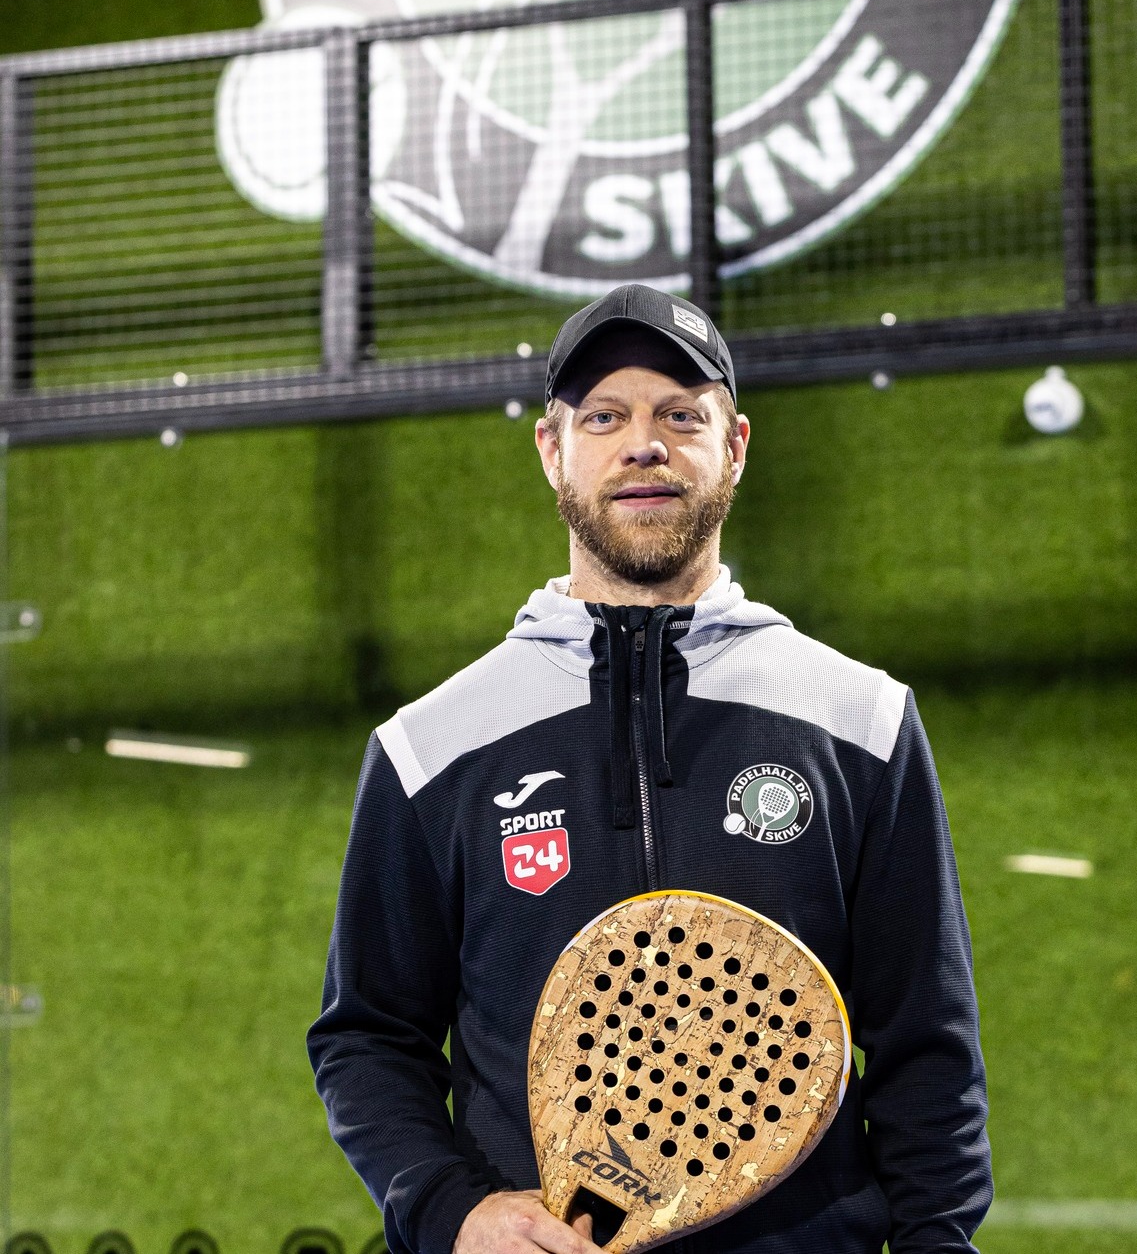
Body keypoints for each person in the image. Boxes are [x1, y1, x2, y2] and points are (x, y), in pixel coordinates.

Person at [307, 284, 991, 1254]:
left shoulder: (860, 718)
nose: (643, 445)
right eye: (603, 417)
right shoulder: (431, 745)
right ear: (552, 451)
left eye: (681, 414)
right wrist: (454, 1211)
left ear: (735, 446)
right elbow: (368, 1037)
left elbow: (926, 1045)